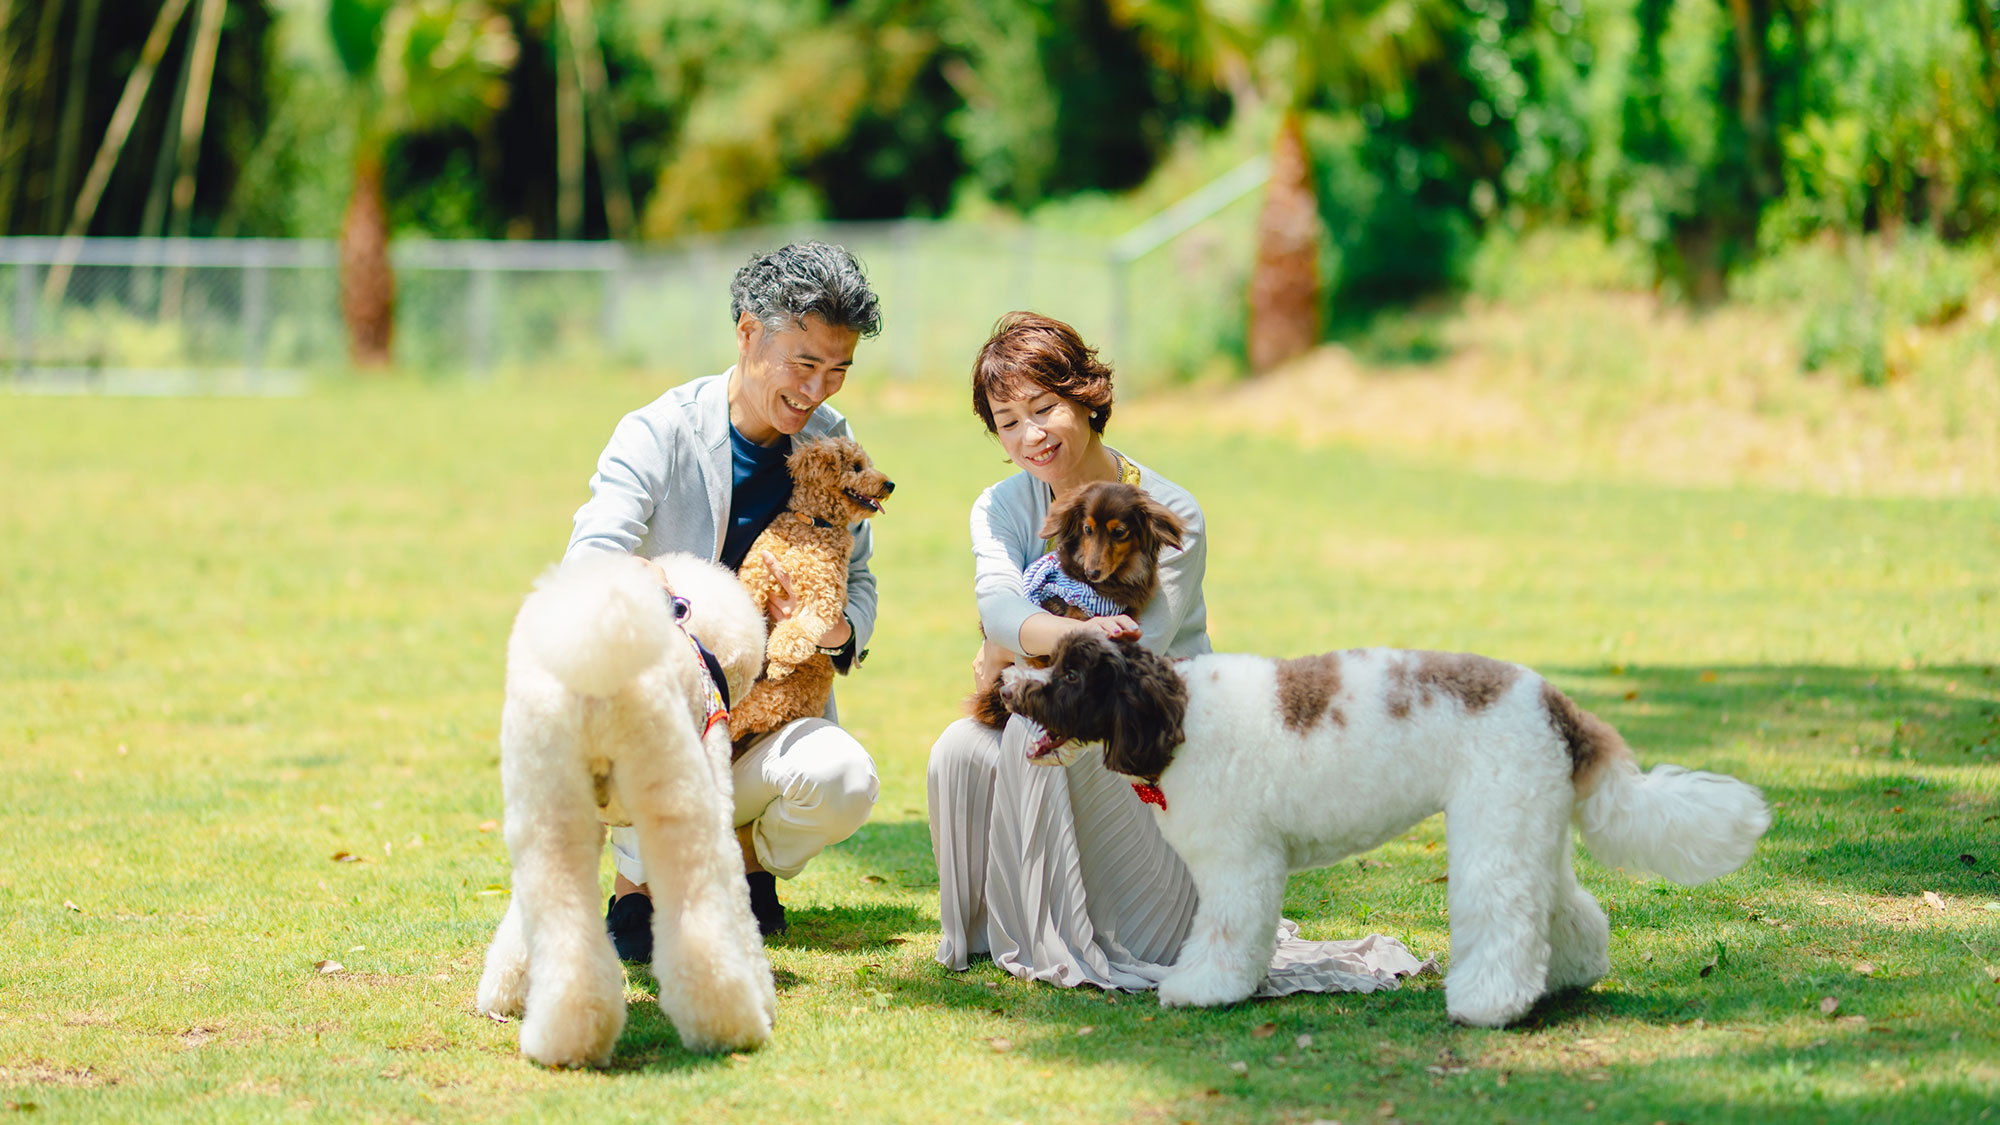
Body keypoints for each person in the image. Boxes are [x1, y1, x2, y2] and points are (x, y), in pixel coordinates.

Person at [926, 312, 1433, 994]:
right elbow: (998, 607)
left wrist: (1012, 647)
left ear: (1085, 396)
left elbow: (1129, 661)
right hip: (1066, 697)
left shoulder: (1169, 512)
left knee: (1029, 727)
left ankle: (1109, 929)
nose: (1029, 435)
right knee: (959, 748)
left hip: (1155, 738)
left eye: (1044, 408)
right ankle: (1003, 935)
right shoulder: (1001, 506)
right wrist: (1041, 637)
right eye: (1007, 419)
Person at [567, 241, 884, 960]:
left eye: (837, 370)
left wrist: (835, 632)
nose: (819, 391)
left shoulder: (835, 443)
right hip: (662, 710)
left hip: (771, 713)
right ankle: (636, 890)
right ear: (747, 333)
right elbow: (588, 559)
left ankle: (742, 863)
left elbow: (860, 581)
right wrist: (654, 593)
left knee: (847, 779)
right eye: (804, 364)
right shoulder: (657, 431)